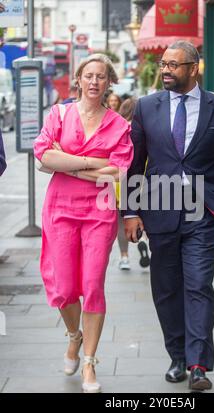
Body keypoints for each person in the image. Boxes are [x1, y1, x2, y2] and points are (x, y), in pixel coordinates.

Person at [123, 41, 214, 391]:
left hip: (204, 212)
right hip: (160, 209)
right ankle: (177, 356)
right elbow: (134, 164)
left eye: (173, 65)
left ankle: (198, 364)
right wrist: (130, 211)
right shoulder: (146, 108)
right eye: (163, 64)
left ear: (193, 69)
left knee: (199, 285)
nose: (166, 70)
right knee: (167, 289)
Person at [33, 54, 133, 393]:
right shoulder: (59, 113)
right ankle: (74, 335)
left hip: (99, 211)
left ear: (109, 82)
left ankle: (89, 362)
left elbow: (118, 169)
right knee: (63, 287)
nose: (94, 82)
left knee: (92, 285)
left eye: (101, 77)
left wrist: (69, 164)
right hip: (60, 208)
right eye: (88, 75)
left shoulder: (119, 125)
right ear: (78, 79)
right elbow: (44, 154)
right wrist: (92, 163)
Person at [117, 98, 150, 270]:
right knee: (143, 217)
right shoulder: (146, 128)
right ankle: (143, 239)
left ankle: (124, 257)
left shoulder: (119, 129)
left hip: (118, 182)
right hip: (143, 180)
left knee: (121, 221)